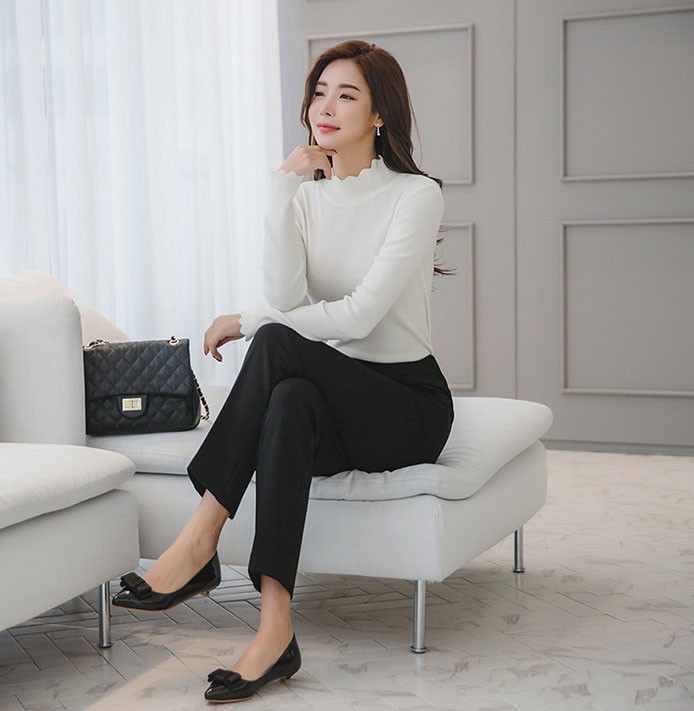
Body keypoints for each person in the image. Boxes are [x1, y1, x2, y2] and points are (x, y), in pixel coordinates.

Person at [111, 39, 455, 704]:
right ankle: (275, 630)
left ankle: (200, 538)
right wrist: (282, 186)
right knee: (290, 395)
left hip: (404, 406)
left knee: (272, 341)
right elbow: (287, 295)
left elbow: (358, 317)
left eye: (346, 95)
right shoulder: (304, 197)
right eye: (320, 92)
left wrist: (247, 321)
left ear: (379, 113)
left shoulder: (416, 196)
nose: (325, 106)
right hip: (330, 402)